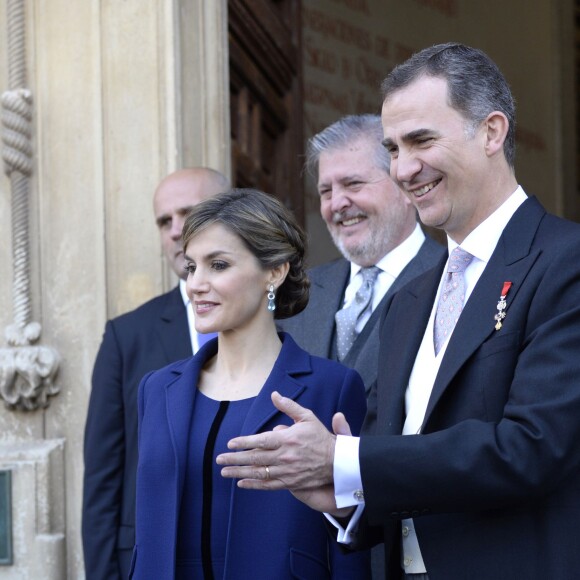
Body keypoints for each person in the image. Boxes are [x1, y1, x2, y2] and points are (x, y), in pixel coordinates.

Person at [216, 43, 580, 579]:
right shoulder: (411, 299)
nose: (405, 168)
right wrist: (345, 499)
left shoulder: (564, 261)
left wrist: (345, 460)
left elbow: (531, 447)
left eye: (421, 140)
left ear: (492, 132)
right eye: (392, 148)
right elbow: (402, 461)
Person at [129, 188, 371, 579]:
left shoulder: (332, 387)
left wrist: (345, 505)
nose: (195, 284)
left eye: (218, 265)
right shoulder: (157, 389)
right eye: (192, 267)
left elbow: (352, 537)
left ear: (274, 272)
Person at [82, 167, 230, 580]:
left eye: (189, 213)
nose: (175, 230)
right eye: (164, 220)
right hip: (151, 562)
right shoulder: (126, 336)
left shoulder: (282, 324)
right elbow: (102, 478)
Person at [279, 114, 444, 393]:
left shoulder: (452, 277)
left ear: (405, 188)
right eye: (326, 191)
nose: (338, 203)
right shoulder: (298, 292)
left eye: (353, 184)